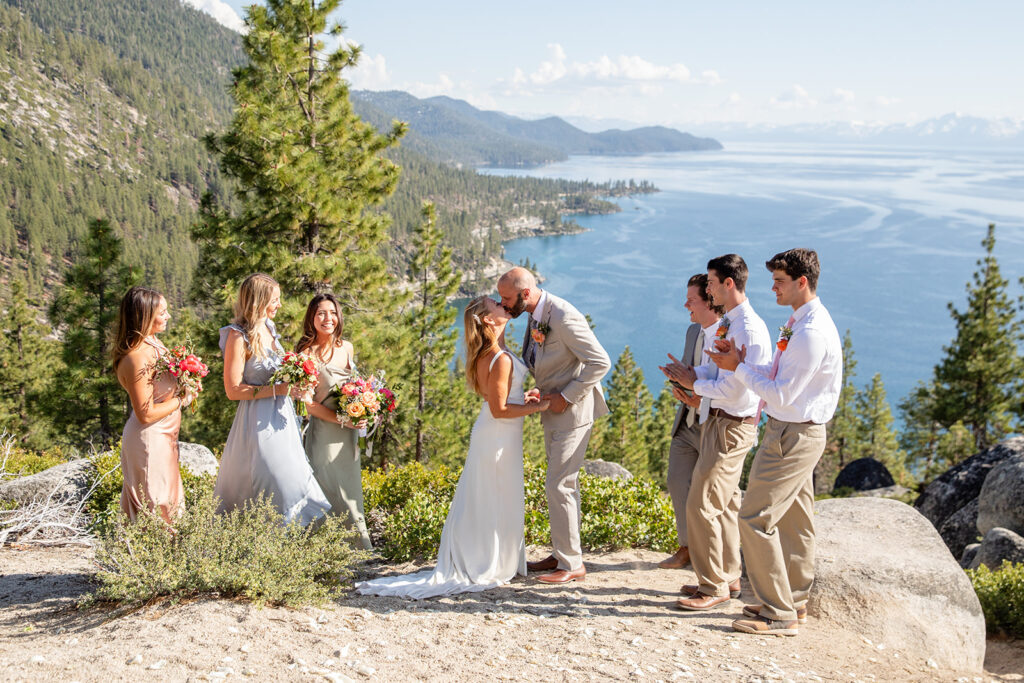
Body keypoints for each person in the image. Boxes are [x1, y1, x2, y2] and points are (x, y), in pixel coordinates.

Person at [355, 296, 549, 598]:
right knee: (493, 494)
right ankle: (490, 561)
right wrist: (541, 407)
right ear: (488, 320)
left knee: (492, 495)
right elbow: (499, 410)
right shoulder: (500, 357)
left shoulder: (491, 354)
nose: (502, 304)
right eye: (496, 304)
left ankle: (496, 558)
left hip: (497, 433)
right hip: (497, 434)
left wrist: (523, 400)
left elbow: (500, 402)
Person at [707, 248, 842, 636]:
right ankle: (794, 601)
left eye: (780, 282)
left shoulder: (811, 333)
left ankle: (778, 611)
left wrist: (738, 369)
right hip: (797, 432)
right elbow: (781, 373)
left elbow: (782, 396)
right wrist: (744, 364)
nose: (772, 288)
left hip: (791, 434)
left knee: (754, 517)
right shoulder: (802, 322)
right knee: (797, 521)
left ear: (802, 282)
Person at [664, 254, 771, 610]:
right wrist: (692, 375)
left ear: (728, 283)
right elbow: (722, 377)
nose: (707, 289)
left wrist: (694, 382)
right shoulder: (731, 323)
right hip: (717, 420)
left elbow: (740, 390)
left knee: (701, 503)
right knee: (722, 504)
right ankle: (730, 577)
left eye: (710, 283)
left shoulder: (749, 330)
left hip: (732, 426)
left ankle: (712, 587)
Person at [497, 267, 611, 584]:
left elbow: (601, 361)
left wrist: (566, 396)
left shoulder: (562, 315)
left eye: (506, 298)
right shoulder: (536, 315)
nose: (503, 304)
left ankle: (572, 564)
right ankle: (563, 553)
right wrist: (542, 389)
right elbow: (547, 359)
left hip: (572, 413)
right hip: (553, 407)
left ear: (525, 294)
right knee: (563, 485)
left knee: (558, 484)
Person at [214, 273, 331, 526]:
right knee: (269, 481)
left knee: (293, 478)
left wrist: (298, 384)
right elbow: (233, 390)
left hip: (282, 418)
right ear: (258, 301)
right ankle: (259, 541)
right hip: (257, 422)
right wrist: (280, 389)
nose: (279, 305)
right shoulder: (237, 336)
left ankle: (287, 547)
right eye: (274, 300)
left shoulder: (269, 327)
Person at [656, 274, 723, 570]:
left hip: (713, 422)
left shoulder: (729, 335)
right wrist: (679, 379)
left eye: (692, 300)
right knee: (677, 481)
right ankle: (686, 547)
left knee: (712, 494)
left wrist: (702, 398)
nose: (686, 305)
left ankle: (716, 558)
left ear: (710, 302)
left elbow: (734, 387)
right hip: (686, 420)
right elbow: (693, 373)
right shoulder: (693, 331)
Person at [297, 293, 372, 549]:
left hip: (348, 436)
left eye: (332, 312)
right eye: (321, 313)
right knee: (327, 489)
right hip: (325, 434)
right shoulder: (306, 354)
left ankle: (357, 547)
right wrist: (343, 419)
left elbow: (355, 387)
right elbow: (307, 404)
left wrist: (366, 411)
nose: (327, 318)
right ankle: (320, 550)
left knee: (350, 490)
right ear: (312, 318)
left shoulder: (347, 347)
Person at [112, 286, 189, 524]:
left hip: (165, 437)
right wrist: (181, 401)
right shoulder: (137, 357)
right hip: (149, 439)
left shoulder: (155, 344)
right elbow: (145, 414)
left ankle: (167, 558)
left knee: (169, 503)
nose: (168, 316)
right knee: (156, 503)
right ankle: (153, 559)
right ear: (144, 316)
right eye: (162, 312)